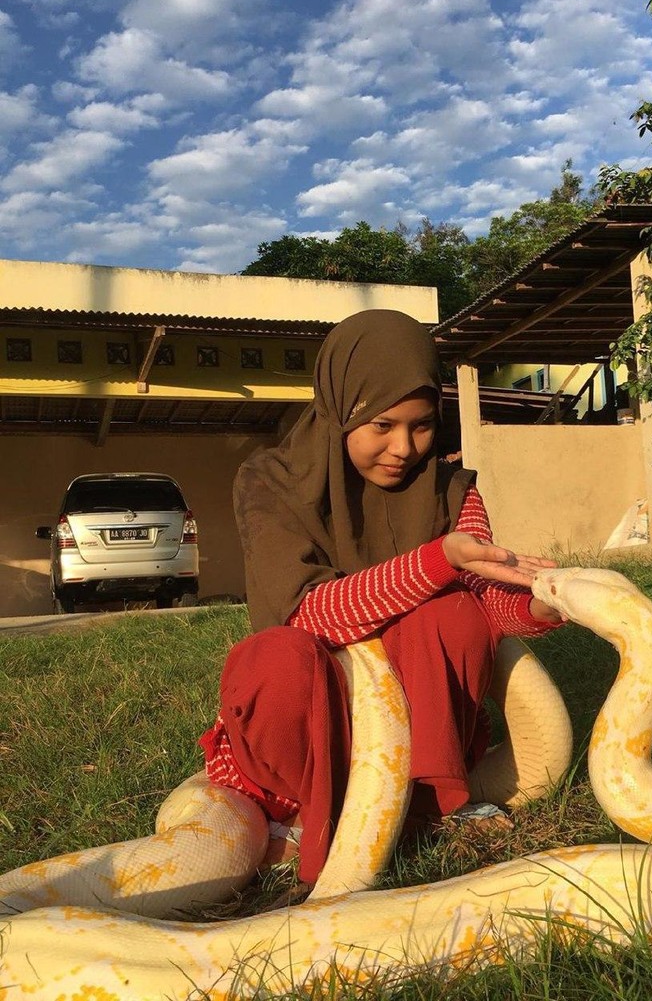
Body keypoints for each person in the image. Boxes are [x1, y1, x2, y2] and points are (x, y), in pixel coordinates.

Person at [199, 309, 564, 887]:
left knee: (454, 611)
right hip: (309, 712)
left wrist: (538, 606)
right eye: (382, 425)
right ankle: (295, 806)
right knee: (278, 658)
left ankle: (426, 798)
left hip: (413, 718)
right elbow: (309, 612)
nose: (404, 448)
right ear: (340, 410)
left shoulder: (452, 491)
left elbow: (485, 602)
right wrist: (438, 560)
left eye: (422, 426)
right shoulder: (268, 482)